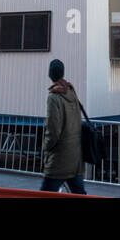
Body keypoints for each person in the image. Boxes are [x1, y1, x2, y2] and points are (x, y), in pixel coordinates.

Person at [40, 58, 86, 194]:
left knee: (46, 192)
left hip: (59, 158)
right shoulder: (71, 92)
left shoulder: (53, 97)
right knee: (79, 193)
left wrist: (46, 147)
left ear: (50, 74)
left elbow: (53, 130)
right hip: (75, 155)